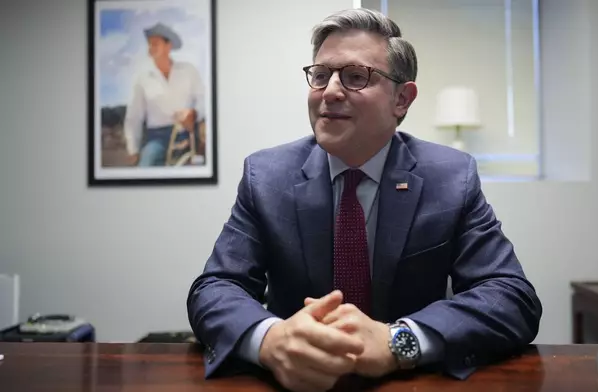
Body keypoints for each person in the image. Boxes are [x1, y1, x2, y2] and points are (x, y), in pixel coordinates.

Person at [187, 8, 542, 392]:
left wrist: (399, 342)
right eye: (321, 75)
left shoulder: (451, 177)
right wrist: (271, 341)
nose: (331, 91)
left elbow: (510, 297)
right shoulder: (267, 176)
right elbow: (216, 287)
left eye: (356, 77)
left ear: (401, 99)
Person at [123, 22, 205, 167]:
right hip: (156, 138)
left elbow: (203, 99)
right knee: (146, 166)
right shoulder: (142, 78)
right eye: (149, 44)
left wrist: (194, 113)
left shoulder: (188, 71)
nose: (151, 47)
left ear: (169, 46)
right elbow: (133, 117)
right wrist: (133, 149)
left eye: (155, 43)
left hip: (188, 135)